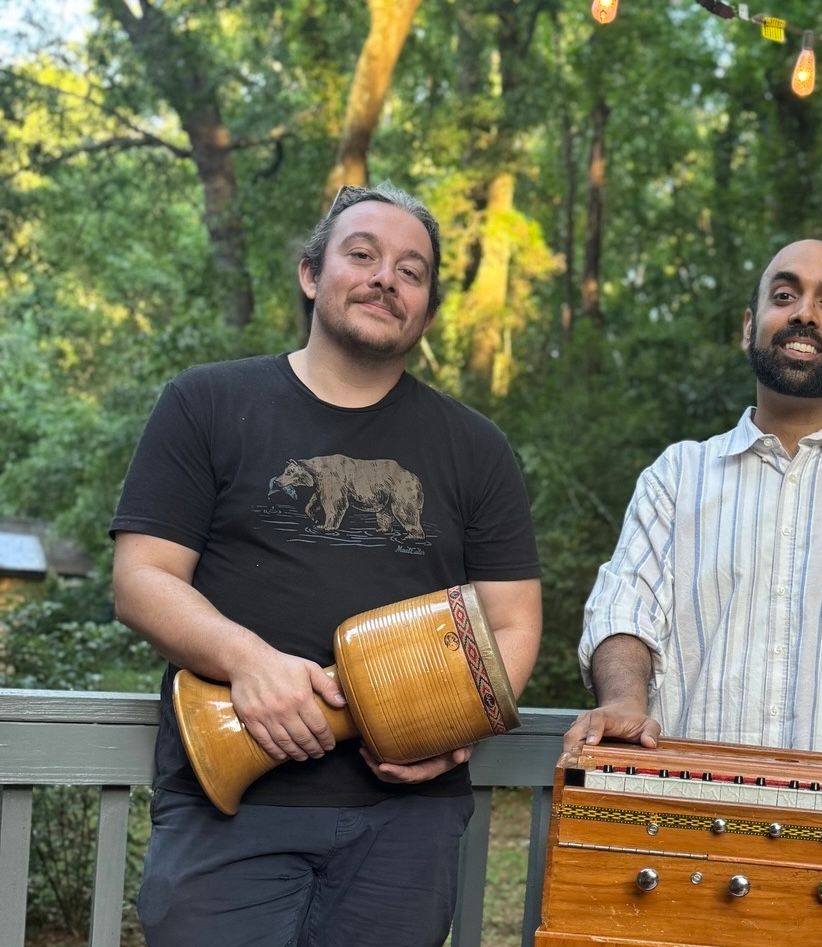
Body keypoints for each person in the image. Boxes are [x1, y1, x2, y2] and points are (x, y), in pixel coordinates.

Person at [111, 183, 542, 947]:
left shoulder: (476, 448)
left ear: (428, 311)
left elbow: (511, 623)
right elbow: (142, 580)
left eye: (412, 271)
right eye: (363, 254)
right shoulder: (204, 402)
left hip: (408, 822)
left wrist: (451, 727)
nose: (387, 278)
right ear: (313, 274)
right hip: (228, 807)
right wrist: (247, 659)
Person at [564, 238, 822, 776]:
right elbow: (623, 610)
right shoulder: (675, 477)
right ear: (750, 325)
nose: (805, 314)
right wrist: (625, 701)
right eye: (785, 295)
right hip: (689, 805)